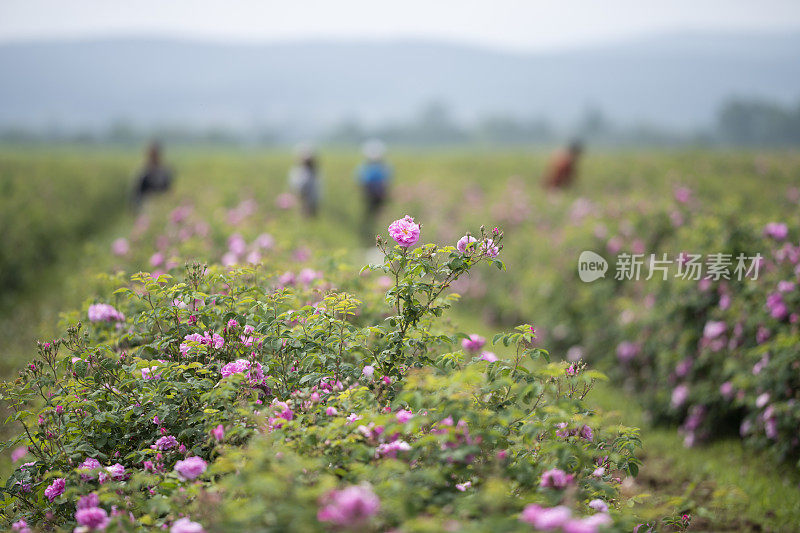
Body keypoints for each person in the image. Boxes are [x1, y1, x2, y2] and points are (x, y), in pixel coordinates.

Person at [356, 140, 392, 229]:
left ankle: (372, 227)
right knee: (374, 211)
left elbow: (361, 180)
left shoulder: (367, 167)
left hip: (373, 193)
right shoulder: (382, 166)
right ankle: (371, 227)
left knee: (373, 211)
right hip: (374, 193)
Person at [132, 141, 174, 209]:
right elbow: (137, 193)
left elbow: (168, 189)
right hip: (147, 205)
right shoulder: (143, 172)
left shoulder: (165, 171)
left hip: (162, 205)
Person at [288, 144, 320, 218]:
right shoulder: (298, 172)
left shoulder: (314, 172)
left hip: (312, 201)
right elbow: (297, 187)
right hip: (303, 200)